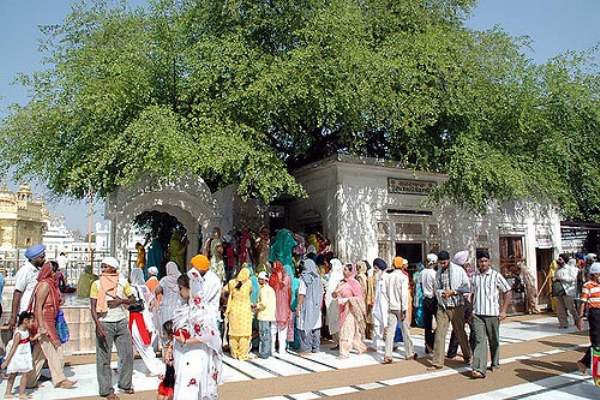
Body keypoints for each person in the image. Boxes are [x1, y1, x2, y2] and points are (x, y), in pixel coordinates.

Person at [25, 261, 76, 389]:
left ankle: (30, 381)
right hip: (44, 322)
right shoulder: (44, 285)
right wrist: (41, 326)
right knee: (55, 350)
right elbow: (38, 307)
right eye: (57, 270)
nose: (58, 272)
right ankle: (60, 380)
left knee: (40, 354)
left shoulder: (52, 285)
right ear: (51, 271)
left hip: (50, 320)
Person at [90, 256, 136, 400]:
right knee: (104, 357)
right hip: (105, 322)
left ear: (113, 268)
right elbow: (92, 307)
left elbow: (133, 298)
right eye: (102, 266)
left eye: (106, 266)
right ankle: (106, 389)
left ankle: (125, 383)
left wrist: (121, 301)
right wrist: (98, 325)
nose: (103, 268)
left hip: (121, 321)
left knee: (127, 354)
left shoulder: (122, 282)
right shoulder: (96, 284)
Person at [172, 270, 222, 399]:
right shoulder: (184, 307)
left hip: (196, 354)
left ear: (191, 288)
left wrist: (186, 342)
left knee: (189, 391)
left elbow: (210, 334)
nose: (179, 291)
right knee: (182, 386)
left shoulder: (201, 311)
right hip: (183, 354)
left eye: (181, 288)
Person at [470, 250, 512, 379]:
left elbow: (507, 291)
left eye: (485, 261)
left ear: (489, 262)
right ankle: (479, 368)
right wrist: (472, 310)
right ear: (478, 262)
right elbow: (472, 294)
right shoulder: (475, 276)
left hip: (492, 314)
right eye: (481, 261)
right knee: (479, 341)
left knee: (494, 340)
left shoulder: (496, 275)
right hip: (478, 314)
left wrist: (504, 310)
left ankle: (495, 363)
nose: (483, 264)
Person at [429, 250, 471, 370]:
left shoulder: (459, 271)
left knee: (460, 332)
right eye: (440, 263)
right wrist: (441, 293)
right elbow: (436, 288)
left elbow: (467, 287)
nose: (442, 265)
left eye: (444, 262)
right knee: (440, 333)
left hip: (457, 306)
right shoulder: (438, 273)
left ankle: (468, 356)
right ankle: (437, 361)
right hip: (443, 306)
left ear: (449, 260)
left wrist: (453, 292)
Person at [129, 268, 163, 377]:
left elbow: (128, 304)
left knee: (142, 344)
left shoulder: (133, 289)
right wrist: (147, 311)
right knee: (132, 344)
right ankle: (122, 366)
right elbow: (153, 302)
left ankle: (156, 368)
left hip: (137, 318)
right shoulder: (145, 288)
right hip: (146, 318)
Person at [383, 257, 416, 364]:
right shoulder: (403, 277)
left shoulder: (388, 277)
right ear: (402, 265)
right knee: (405, 330)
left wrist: (389, 303)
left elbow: (386, 292)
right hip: (401, 307)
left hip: (391, 306)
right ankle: (409, 352)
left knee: (390, 331)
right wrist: (404, 309)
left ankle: (388, 354)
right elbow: (404, 295)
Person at [2, 311, 40, 399]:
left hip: (24, 355)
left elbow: (31, 339)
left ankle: (19, 392)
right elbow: (13, 348)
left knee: (25, 373)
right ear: (25, 321)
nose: (32, 323)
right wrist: (6, 361)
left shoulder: (26, 331)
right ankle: (16, 393)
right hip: (18, 356)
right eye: (31, 321)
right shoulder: (18, 334)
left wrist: (39, 335)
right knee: (14, 374)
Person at [332, 263, 367, 359]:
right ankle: (361, 347)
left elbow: (359, 298)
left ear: (351, 272)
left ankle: (344, 353)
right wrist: (335, 295)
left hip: (350, 310)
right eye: (344, 269)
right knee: (351, 331)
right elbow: (335, 293)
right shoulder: (341, 282)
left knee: (346, 330)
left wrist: (348, 300)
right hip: (342, 309)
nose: (344, 271)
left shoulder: (355, 283)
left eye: (346, 270)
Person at [7, 244, 46, 331]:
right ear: (33, 258)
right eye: (41, 257)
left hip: (33, 312)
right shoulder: (25, 271)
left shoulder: (37, 271)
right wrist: (13, 316)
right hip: (25, 313)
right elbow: (17, 293)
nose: (44, 259)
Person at [575, 262, 600, 375]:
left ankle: (584, 362)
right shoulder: (588, 285)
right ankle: (586, 363)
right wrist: (580, 317)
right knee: (596, 342)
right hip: (595, 314)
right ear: (595, 274)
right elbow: (583, 303)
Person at [224, 268, 253, 360]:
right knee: (245, 333)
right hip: (245, 311)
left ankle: (234, 353)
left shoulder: (231, 283)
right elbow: (250, 292)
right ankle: (242, 355)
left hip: (234, 310)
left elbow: (224, 290)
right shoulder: (249, 283)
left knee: (233, 332)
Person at [296, 259, 324, 356]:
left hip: (306, 306)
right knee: (315, 326)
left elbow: (301, 294)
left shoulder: (304, 278)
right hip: (316, 306)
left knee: (304, 326)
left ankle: (306, 349)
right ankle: (316, 348)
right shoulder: (318, 279)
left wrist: (298, 306)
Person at [152, 261, 182, 343]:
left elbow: (156, 291)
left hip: (166, 309)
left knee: (166, 331)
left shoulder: (165, 280)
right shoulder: (181, 279)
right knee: (177, 329)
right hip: (178, 309)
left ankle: (166, 349)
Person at [269, 261, 292, 355]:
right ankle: (282, 350)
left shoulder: (272, 277)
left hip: (273, 307)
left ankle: (272, 350)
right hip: (284, 307)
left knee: (272, 330)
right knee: (282, 331)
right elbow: (290, 292)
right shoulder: (287, 277)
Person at [368, 258, 389, 352]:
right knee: (376, 325)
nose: (374, 270)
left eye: (376, 268)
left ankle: (392, 344)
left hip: (386, 306)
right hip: (377, 306)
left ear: (380, 268)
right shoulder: (377, 278)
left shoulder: (388, 278)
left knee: (388, 326)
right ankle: (375, 345)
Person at [255, 271, 276, 359]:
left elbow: (263, 303)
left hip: (264, 315)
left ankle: (264, 353)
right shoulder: (270, 289)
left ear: (264, 280)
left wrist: (255, 305)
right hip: (269, 314)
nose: (259, 281)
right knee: (267, 334)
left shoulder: (264, 290)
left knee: (264, 334)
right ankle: (268, 351)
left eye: (260, 279)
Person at [553, 254, 577, 328]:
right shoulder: (557, 269)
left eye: (560, 259)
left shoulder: (569, 269)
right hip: (559, 290)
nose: (558, 261)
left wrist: (562, 278)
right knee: (560, 308)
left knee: (571, 307)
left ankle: (577, 320)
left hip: (567, 290)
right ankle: (563, 324)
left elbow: (573, 278)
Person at [420, 253, 438, 354]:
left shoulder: (422, 272)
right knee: (440, 323)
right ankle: (431, 342)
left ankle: (427, 345)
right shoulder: (434, 273)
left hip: (425, 298)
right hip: (433, 299)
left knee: (427, 324)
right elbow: (435, 288)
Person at [325, 257, 344, 348]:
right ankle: (336, 341)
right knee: (332, 321)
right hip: (329, 300)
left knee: (337, 321)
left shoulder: (339, 275)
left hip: (336, 301)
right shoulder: (331, 274)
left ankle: (341, 342)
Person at [157, 320, 175, 400]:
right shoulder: (169, 344)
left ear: (170, 334)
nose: (163, 335)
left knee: (167, 394)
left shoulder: (173, 345)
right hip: (170, 372)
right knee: (163, 394)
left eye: (164, 333)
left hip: (172, 373)